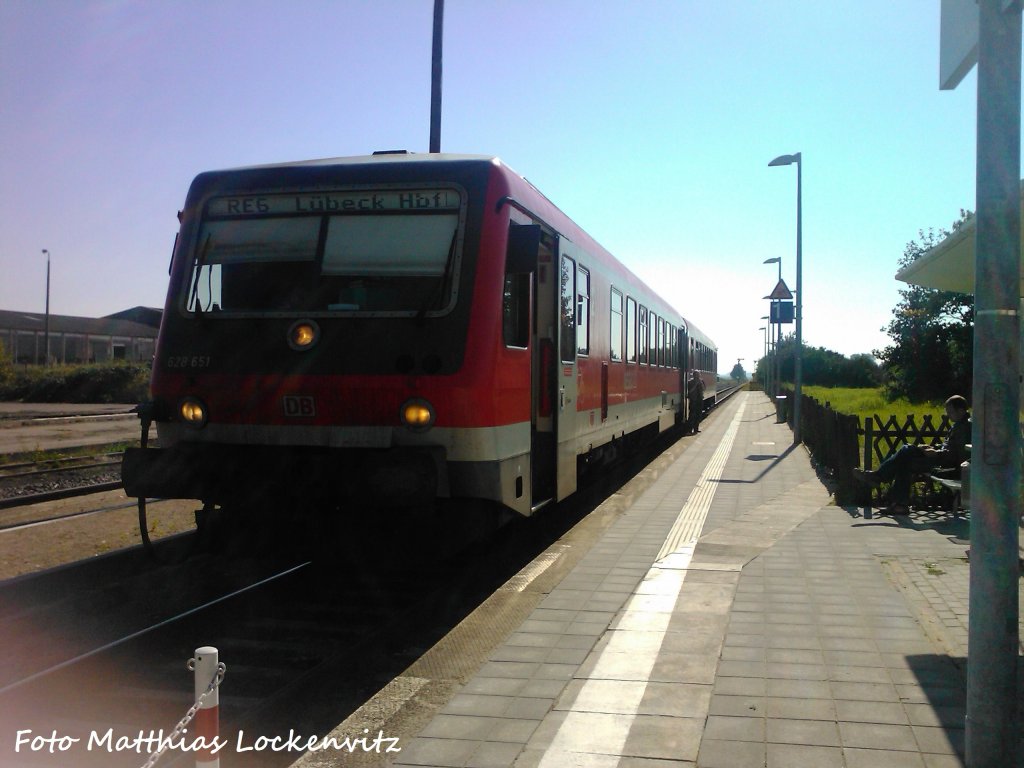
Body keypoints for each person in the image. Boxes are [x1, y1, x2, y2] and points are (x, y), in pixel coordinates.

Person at [853, 395, 971, 515]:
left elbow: (956, 455)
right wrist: (932, 448)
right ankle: (897, 502)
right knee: (905, 459)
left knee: (906, 451)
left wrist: (936, 453)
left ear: (960, 411)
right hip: (942, 460)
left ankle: (880, 478)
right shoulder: (959, 425)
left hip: (948, 466)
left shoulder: (964, 427)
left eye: (950, 412)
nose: (948, 415)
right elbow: (949, 447)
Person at [686, 370, 705, 435]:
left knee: (698, 415)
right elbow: (689, 392)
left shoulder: (701, 381)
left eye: (698, 375)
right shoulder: (690, 382)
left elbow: (704, 389)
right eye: (696, 375)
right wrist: (696, 385)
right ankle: (689, 430)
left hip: (700, 400)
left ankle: (696, 429)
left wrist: (701, 384)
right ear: (694, 375)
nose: (698, 376)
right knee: (692, 416)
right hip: (693, 400)